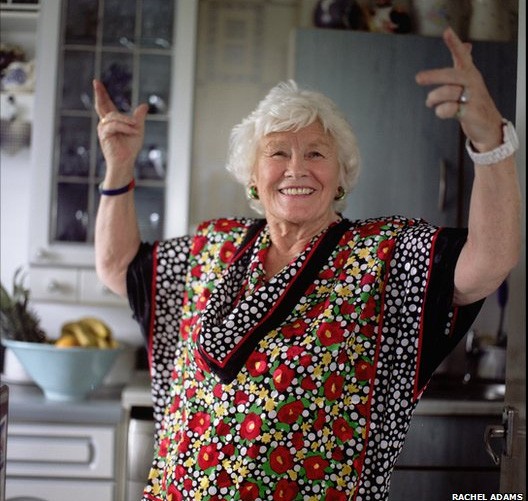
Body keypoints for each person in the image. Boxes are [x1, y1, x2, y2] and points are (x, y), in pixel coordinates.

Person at [94, 28, 521, 501]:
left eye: (316, 153)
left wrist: (491, 143)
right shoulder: (214, 246)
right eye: (278, 152)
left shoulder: (382, 254)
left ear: (340, 176)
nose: (296, 168)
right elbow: (119, 269)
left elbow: (488, 262)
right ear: (253, 177)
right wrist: (119, 167)